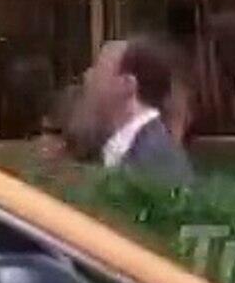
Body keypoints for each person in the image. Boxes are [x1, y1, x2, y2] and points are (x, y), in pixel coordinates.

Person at [76, 35, 195, 186]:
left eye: (99, 70)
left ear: (127, 84)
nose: (87, 76)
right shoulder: (136, 148)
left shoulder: (154, 156)